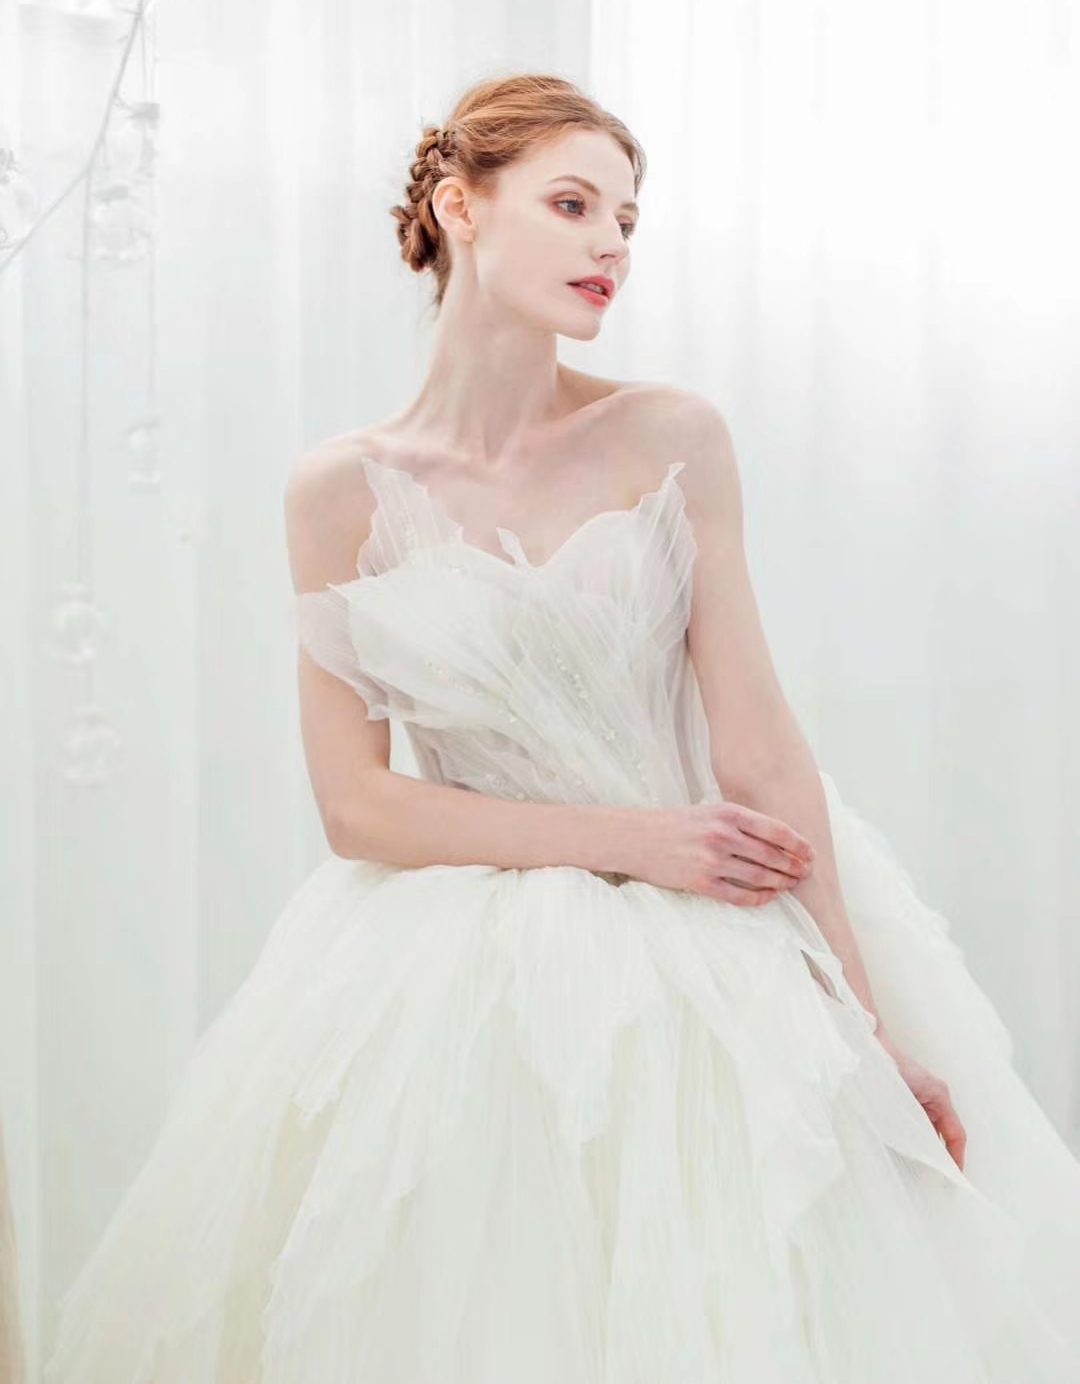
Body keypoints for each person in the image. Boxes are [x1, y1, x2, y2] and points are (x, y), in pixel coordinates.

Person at [46, 71, 1080, 1383]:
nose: (613, 246)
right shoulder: (335, 492)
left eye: (629, 221)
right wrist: (635, 841)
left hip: (718, 947)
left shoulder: (670, 436)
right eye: (575, 204)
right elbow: (358, 806)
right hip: (455, 975)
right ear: (458, 206)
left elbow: (761, 747)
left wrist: (869, 1034)